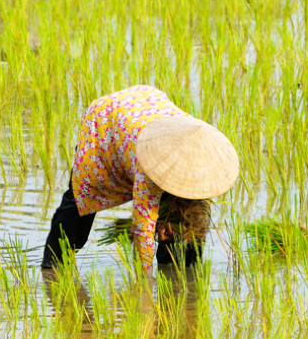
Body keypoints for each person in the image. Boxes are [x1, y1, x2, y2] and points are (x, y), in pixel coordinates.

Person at [40, 85, 238, 274]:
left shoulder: (201, 147)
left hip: (150, 107)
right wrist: (143, 287)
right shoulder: (149, 167)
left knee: (189, 232)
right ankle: (52, 265)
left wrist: (173, 231)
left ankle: (178, 281)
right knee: (81, 198)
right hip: (108, 124)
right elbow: (142, 229)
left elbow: (190, 218)